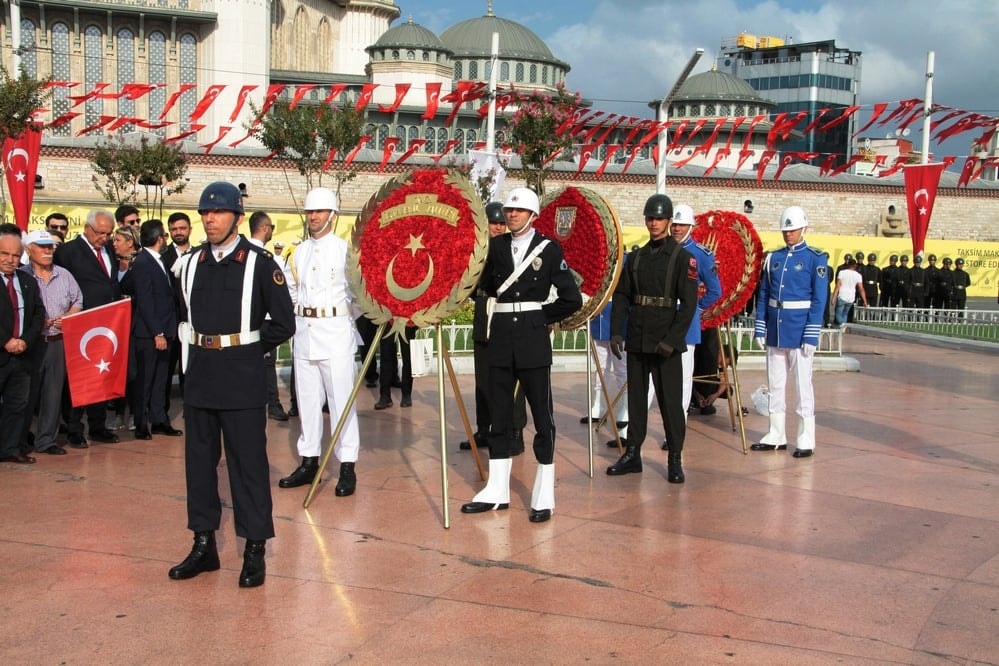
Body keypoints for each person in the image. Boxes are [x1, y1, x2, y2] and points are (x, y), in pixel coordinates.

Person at [167, 181, 294, 588]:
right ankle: (203, 544)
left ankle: (254, 548)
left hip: (241, 377)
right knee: (199, 466)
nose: (209, 218)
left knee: (248, 466)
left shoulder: (259, 262)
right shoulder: (188, 263)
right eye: (205, 211)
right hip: (201, 375)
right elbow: (180, 315)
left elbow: (283, 322)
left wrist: (249, 350)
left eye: (218, 212)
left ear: (237, 217)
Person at [461, 187, 581, 523]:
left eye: (518, 211)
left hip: (531, 338)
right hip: (500, 336)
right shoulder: (494, 248)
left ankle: (544, 494)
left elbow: (572, 298)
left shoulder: (548, 248)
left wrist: (540, 316)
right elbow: (477, 285)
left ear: (532, 214)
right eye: (508, 211)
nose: (510, 215)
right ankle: (496, 490)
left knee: (542, 415)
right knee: (499, 415)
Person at [605, 193, 698, 483]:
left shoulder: (683, 258)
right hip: (638, 336)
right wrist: (617, 331)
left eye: (659, 218)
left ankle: (674, 458)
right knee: (636, 399)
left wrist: (672, 339)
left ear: (670, 222)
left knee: (670, 403)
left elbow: (689, 305)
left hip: (665, 340)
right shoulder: (636, 257)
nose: (654, 223)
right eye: (650, 218)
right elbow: (621, 296)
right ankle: (633, 452)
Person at [277, 187, 362, 498]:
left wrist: (342, 318)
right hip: (305, 333)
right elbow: (291, 290)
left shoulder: (345, 251)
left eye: (320, 212)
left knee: (342, 403)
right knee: (308, 401)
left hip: (337, 332)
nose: (313, 217)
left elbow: (359, 297)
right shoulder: (297, 252)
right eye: (310, 212)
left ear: (333, 215)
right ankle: (309, 459)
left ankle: (347, 464)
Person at [751, 206, 828, 458]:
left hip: (799, 328)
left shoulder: (816, 258)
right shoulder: (773, 258)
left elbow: (819, 300)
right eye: (786, 230)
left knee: (802, 385)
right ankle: (776, 433)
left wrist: (811, 332)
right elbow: (763, 293)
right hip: (776, 327)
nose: (789, 235)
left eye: (793, 230)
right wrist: (760, 324)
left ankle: (806, 438)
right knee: (775, 384)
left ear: (804, 228)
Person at [461, 200, 527, 453]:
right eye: (494, 223)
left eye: (502, 222)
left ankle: (515, 431)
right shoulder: (476, 252)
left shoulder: (514, 249)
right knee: (483, 379)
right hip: (484, 315)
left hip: (507, 316)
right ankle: (484, 429)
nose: (498, 227)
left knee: (511, 379)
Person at [53, 209, 123, 447]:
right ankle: (74, 428)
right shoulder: (68, 252)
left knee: (101, 375)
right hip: (81, 325)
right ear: (87, 228)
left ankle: (98, 425)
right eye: (101, 232)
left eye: (108, 233)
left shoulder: (109, 251)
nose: (104, 237)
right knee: (79, 380)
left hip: (107, 324)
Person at [19, 230, 82, 456]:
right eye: (42, 246)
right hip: (32, 344)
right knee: (26, 394)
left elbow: (78, 300)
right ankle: (20, 439)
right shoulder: (21, 275)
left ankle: (47, 440)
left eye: (50, 247)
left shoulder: (64, 275)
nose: (48, 250)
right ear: (29, 250)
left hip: (57, 341)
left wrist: (69, 316)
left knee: (52, 394)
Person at [670, 204, 722, 433]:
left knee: (682, 376)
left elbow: (715, 290)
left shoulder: (701, 254)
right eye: (675, 224)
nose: (677, 228)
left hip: (686, 320)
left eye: (681, 224)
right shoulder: (663, 249)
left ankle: (677, 426)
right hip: (662, 317)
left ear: (691, 226)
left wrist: (696, 309)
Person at [128, 220, 181, 441]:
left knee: (161, 379)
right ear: (160, 238)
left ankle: (160, 419)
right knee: (146, 380)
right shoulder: (142, 262)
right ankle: (142, 423)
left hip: (166, 330)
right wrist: (157, 332)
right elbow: (146, 300)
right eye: (165, 236)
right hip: (150, 334)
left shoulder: (158, 261)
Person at [0, 225, 46, 464]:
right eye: (5, 254)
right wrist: (5, 341)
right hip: (2, 351)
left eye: (16, 255)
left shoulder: (27, 281)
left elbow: (38, 314)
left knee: (17, 405)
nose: (10, 259)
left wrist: (24, 341)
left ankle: (10, 448)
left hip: (22, 355)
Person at [247, 211, 289, 422]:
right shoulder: (265, 258)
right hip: (263, 320)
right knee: (266, 364)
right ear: (264, 228)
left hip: (247, 320)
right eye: (271, 226)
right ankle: (272, 403)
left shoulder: (243, 253)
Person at [161, 211, 192, 414]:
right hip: (170, 326)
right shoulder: (163, 257)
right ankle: (161, 415)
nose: (178, 232)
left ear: (190, 228)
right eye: (174, 229)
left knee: (190, 372)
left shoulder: (200, 254)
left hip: (192, 325)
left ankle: (193, 411)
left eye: (182, 228)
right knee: (165, 373)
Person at [831, 255, 867, 327]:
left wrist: (833, 297)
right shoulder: (858, 275)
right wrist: (865, 301)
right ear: (855, 265)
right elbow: (861, 289)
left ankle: (842, 324)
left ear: (848, 264)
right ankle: (843, 326)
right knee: (845, 314)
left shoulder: (842, 272)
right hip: (851, 297)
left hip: (842, 295)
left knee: (838, 314)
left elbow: (838, 286)